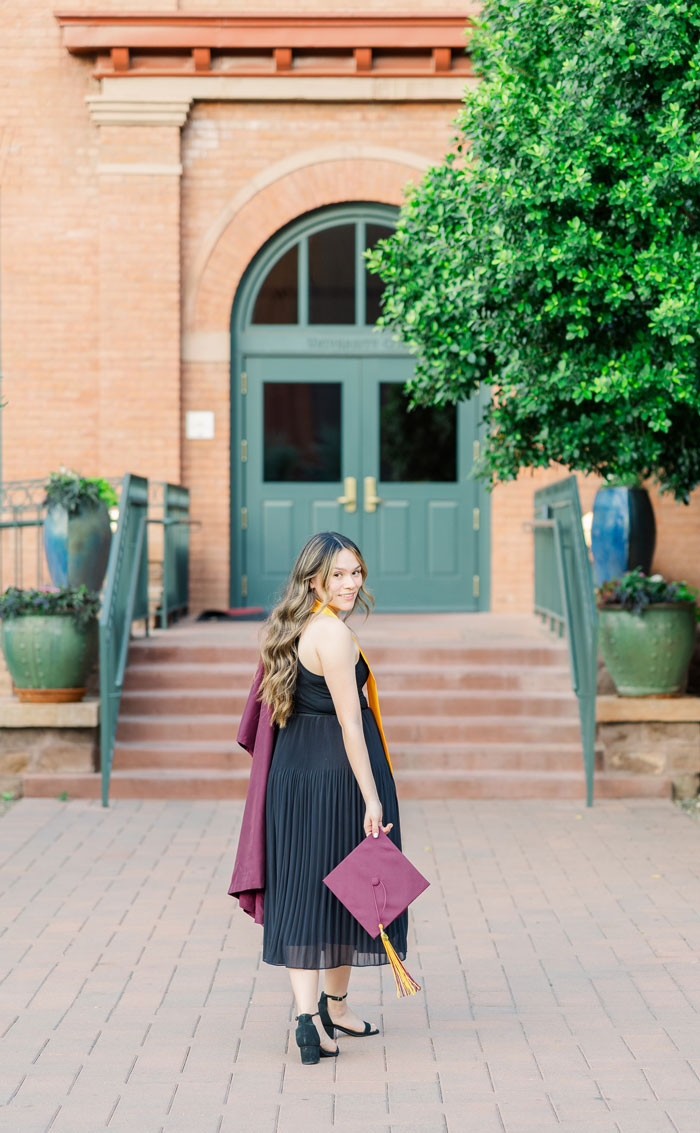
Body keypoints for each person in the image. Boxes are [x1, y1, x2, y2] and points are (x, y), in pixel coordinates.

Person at [255, 531, 407, 1065]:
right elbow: (350, 722)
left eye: (356, 572)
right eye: (338, 574)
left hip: (293, 774)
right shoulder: (333, 635)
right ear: (314, 577)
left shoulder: (293, 625)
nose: (350, 583)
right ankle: (329, 1009)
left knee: (303, 890)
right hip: (336, 776)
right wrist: (371, 795)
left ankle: (314, 1017)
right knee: (352, 886)